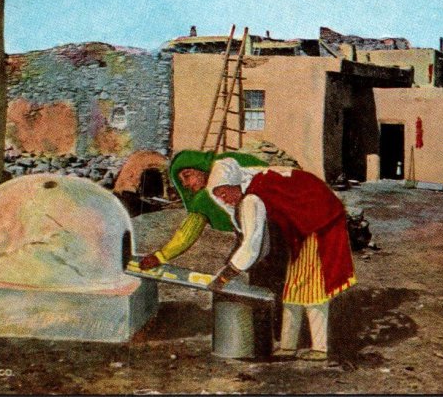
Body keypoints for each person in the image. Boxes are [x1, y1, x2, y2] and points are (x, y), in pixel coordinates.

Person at [203, 157, 357, 361]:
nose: (224, 199)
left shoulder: (251, 198)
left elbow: (252, 244)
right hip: (302, 224)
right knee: (292, 288)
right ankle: (287, 347)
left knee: (312, 288)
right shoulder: (251, 183)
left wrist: (225, 275)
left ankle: (319, 348)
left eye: (224, 193)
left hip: (318, 221)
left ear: (234, 184)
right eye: (219, 196)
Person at [138, 150, 268, 270]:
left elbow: (187, 234)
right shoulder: (230, 165)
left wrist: (160, 256)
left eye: (187, 175)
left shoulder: (206, 195)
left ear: (201, 168)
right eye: (181, 182)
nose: (185, 184)